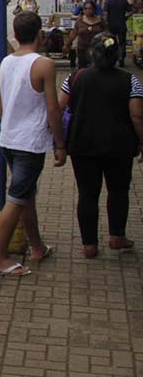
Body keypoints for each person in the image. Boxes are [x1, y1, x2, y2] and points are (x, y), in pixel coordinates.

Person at [0, 12, 65, 277]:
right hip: (29, 143)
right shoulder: (43, 65)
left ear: (16, 35)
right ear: (40, 33)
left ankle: (38, 246)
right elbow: (53, 109)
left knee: (25, 194)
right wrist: (60, 143)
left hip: (8, 138)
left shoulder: (6, 62)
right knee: (18, 197)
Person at [61, 32, 143, 258]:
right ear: (116, 54)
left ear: (91, 53)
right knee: (118, 191)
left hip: (82, 145)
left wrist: (59, 143)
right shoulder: (130, 80)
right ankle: (117, 237)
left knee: (87, 194)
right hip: (120, 146)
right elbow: (137, 116)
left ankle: (89, 245)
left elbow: (60, 108)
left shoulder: (75, 77)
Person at [67, 1, 106, 68]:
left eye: (90, 8)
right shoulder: (79, 21)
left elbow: (106, 34)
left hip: (97, 49)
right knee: (83, 68)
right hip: (82, 49)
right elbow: (74, 33)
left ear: (94, 9)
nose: (88, 11)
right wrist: (67, 44)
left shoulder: (100, 21)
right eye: (86, 9)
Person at [103, 0, 131, 67]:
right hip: (121, 25)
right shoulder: (124, 2)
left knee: (110, 42)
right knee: (122, 42)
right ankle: (121, 57)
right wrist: (126, 17)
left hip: (111, 25)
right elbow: (131, 11)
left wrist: (105, 23)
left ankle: (111, 57)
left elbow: (105, 14)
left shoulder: (108, 2)